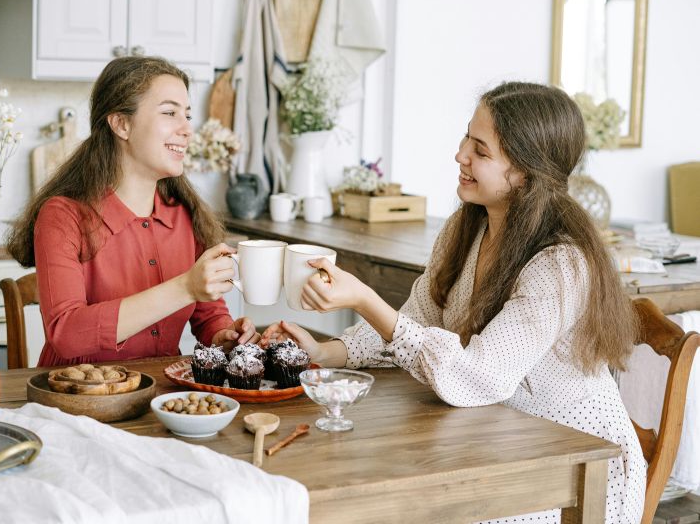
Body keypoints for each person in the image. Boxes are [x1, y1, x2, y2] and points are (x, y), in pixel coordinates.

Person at [263, 82, 645, 523]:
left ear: (525, 172)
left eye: (481, 151)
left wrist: (366, 299)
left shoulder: (559, 265)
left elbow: (478, 377)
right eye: (467, 138)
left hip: (571, 469)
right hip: (492, 439)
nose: (460, 155)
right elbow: (415, 322)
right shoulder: (467, 228)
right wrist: (325, 352)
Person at [7, 56, 257, 367]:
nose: (187, 130)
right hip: (76, 403)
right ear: (122, 124)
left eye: (187, 115)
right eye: (169, 113)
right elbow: (66, 333)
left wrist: (224, 334)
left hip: (162, 400)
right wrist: (184, 287)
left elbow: (208, 313)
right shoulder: (62, 216)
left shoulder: (185, 217)